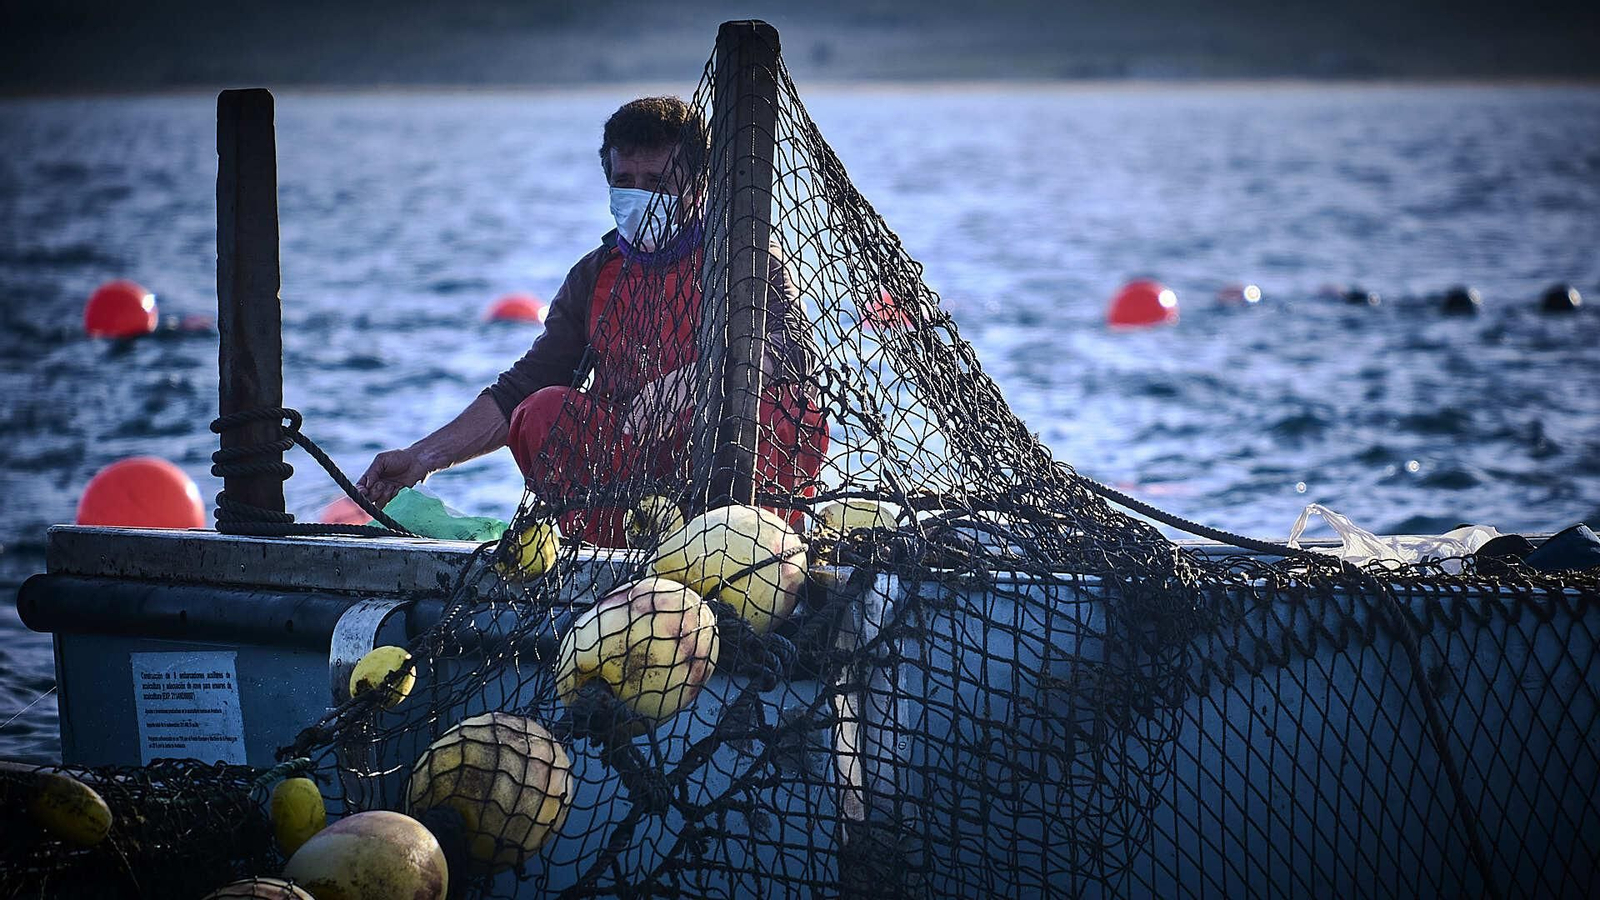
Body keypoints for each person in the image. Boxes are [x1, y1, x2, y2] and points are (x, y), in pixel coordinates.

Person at [356, 97, 826, 546]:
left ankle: (750, 542)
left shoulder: (743, 260)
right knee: (541, 410)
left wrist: (704, 380)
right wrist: (420, 458)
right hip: (631, 477)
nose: (638, 195)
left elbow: (797, 353)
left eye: (657, 181)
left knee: (791, 409)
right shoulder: (594, 274)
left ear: (697, 184)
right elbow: (520, 389)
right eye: (625, 180)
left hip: (729, 473)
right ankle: (611, 557)